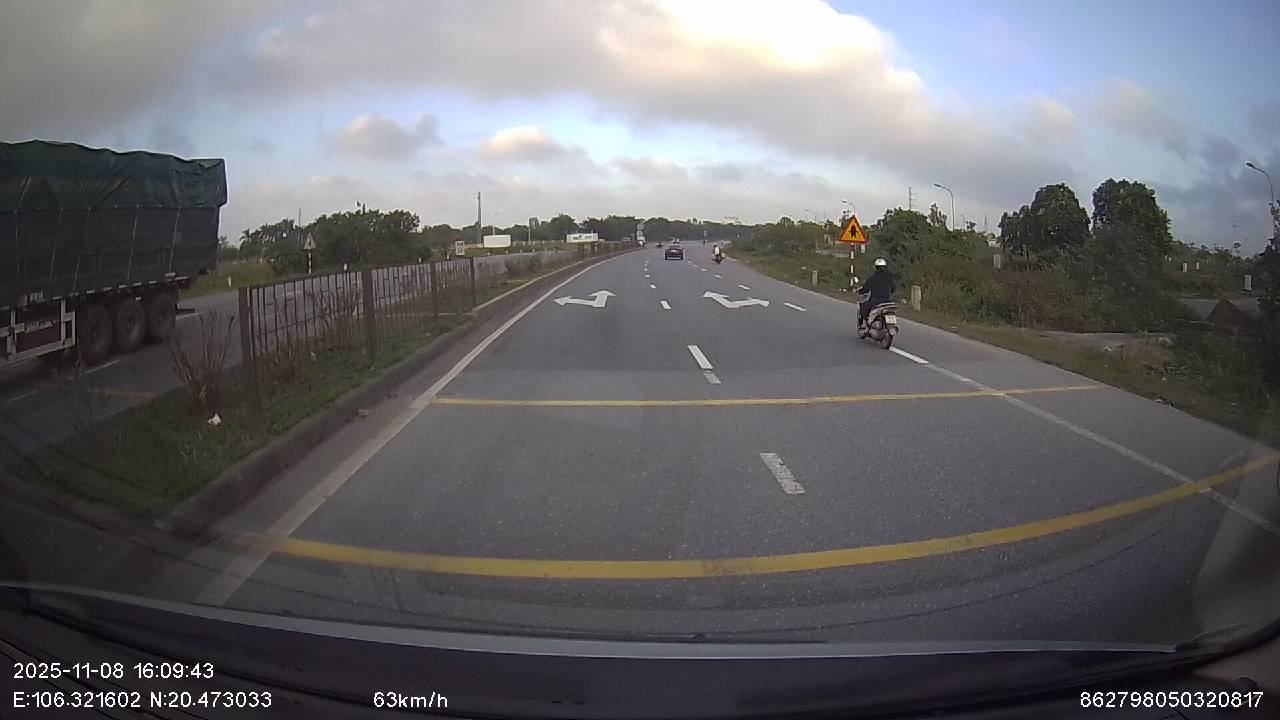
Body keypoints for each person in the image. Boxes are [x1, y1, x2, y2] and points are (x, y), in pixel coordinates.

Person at [858, 258, 896, 329]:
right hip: (888, 300)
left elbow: (865, 288)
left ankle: (864, 324)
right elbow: (893, 288)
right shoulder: (890, 277)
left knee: (863, 306)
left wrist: (860, 291)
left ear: (875, 267)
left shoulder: (873, 278)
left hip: (876, 300)